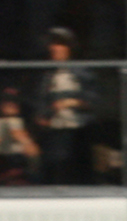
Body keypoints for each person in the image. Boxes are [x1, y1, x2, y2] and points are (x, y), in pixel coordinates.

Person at [36, 27, 96, 184]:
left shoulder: (82, 72)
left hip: (79, 131)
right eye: (52, 44)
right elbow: (42, 104)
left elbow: (93, 100)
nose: (54, 48)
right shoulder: (48, 76)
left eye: (59, 44)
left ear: (69, 48)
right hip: (55, 131)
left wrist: (72, 102)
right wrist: (44, 117)